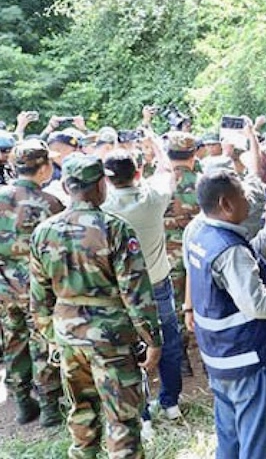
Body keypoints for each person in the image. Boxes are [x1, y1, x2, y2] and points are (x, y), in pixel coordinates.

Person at [29, 153, 162, 459]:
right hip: (111, 339)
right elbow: (136, 294)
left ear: (66, 186)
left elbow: (39, 299)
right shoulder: (115, 228)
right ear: (101, 185)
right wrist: (153, 340)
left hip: (68, 336)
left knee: (81, 412)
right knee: (122, 418)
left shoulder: (43, 232)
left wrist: (54, 336)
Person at [184, 170, 266, 458]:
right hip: (248, 361)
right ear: (226, 204)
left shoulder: (201, 235)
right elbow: (258, 303)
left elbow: (242, 264)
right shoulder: (229, 249)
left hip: (221, 358)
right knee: (262, 445)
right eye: (243, 196)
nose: (249, 201)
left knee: (231, 441)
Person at [102, 139, 184, 434]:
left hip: (122, 289)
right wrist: (156, 144)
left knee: (130, 349)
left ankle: (143, 414)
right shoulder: (154, 197)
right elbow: (168, 171)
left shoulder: (103, 207)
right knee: (168, 342)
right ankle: (171, 403)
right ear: (137, 173)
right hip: (157, 283)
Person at [0, 139, 65, 426]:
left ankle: (23, 403)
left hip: (5, 287)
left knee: (13, 342)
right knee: (43, 344)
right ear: (43, 168)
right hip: (40, 290)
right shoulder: (51, 203)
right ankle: (50, 408)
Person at [162, 132, 201, 376]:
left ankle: (182, 359)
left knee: (176, 307)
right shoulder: (205, 182)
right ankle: (209, 357)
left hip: (170, 255)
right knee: (208, 301)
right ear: (193, 155)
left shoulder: (158, 185)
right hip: (202, 252)